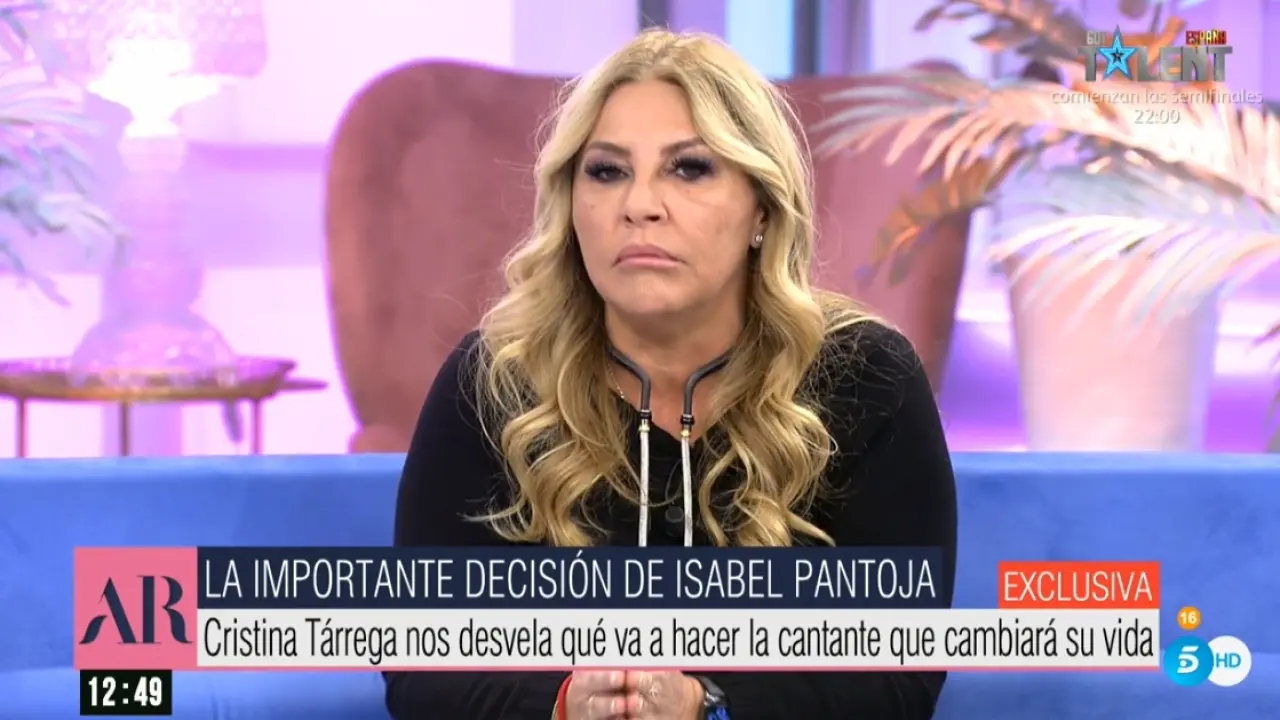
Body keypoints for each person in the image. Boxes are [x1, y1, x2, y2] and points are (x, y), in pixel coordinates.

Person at [386, 28, 957, 720]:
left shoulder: (865, 377)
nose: (640, 204)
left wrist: (707, 702)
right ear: (571, 206)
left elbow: (897, 668)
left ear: (762, 209)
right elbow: (422, 662)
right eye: (607, 172)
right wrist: (564, 702)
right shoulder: (492, 384)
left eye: (688, 169)